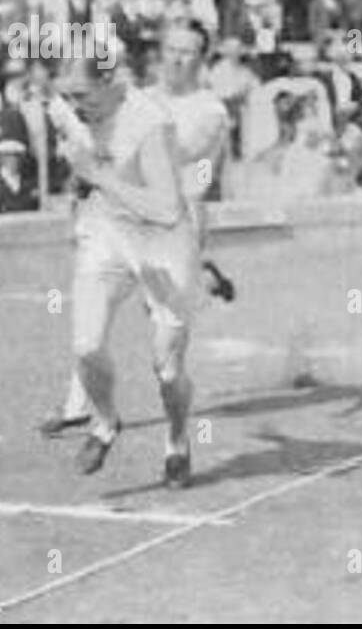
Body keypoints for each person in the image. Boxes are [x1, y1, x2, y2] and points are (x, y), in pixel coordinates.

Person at [41, 22, 234, 442]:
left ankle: (176, 429)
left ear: (202, 59)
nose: (177, 59)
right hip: (118, 220)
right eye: (171, 49)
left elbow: (176, 155)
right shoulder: (131, 96)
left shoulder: (209, 110)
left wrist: (109, 140)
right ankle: (79, 406)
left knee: (165, 341)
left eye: (187, 52)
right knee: (94, 319)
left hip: (172, 226)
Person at [42, 53, 201, 488]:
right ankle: (105, 423)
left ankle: (177, 441)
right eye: (68, 96)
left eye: (83, 96)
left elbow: (167, 209)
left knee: (167, 368)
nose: (75, 106)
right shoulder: (66, 110)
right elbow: (77, 157)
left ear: (111, 82)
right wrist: (78, 200)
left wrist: (98, 176)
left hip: (162, 244)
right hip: (107, 233)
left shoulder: (148, 122)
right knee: (86, 346)